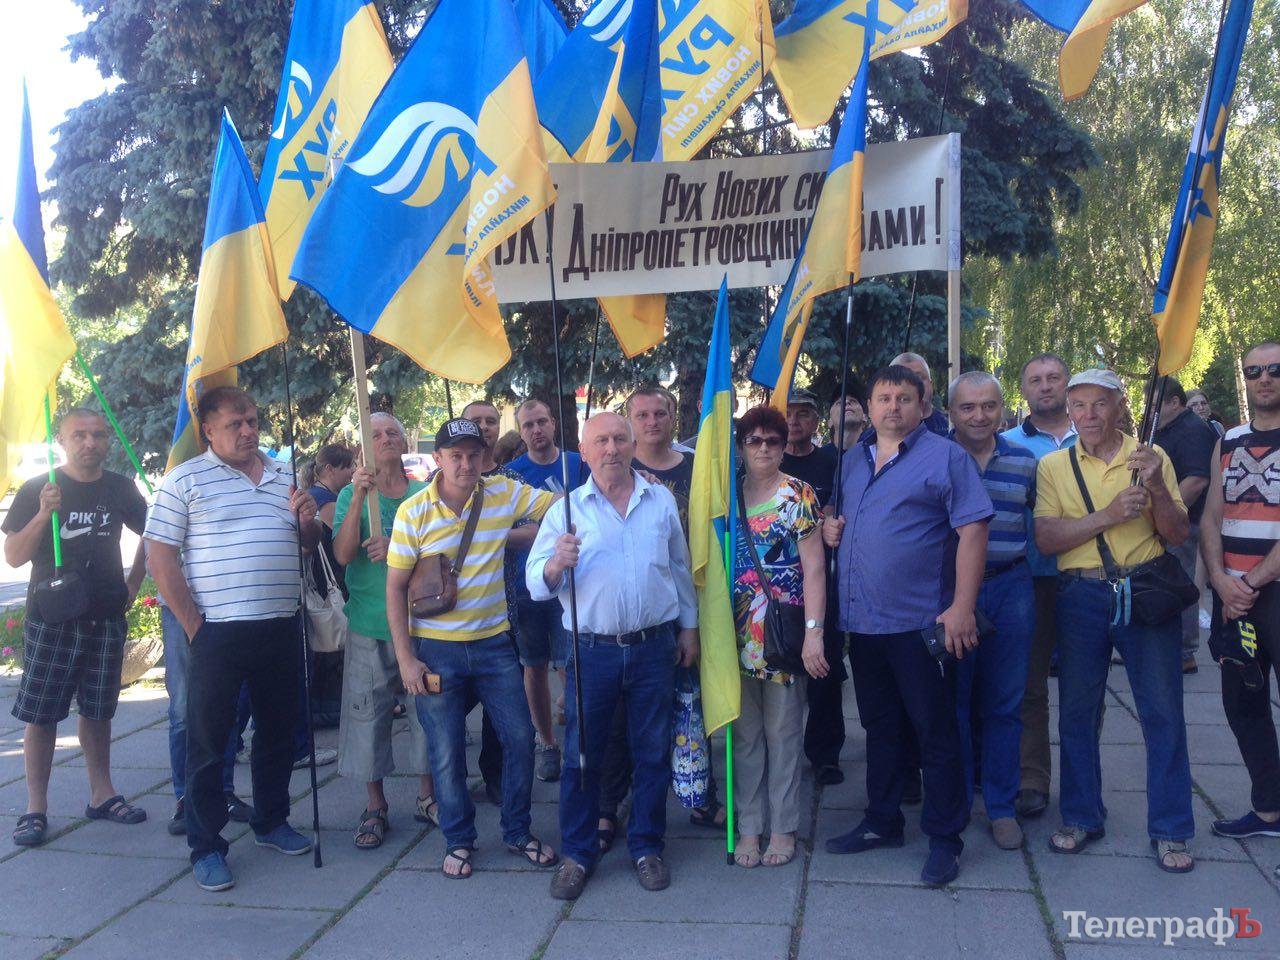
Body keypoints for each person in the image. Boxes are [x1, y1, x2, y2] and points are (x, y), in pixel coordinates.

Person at [822, 365, 992, 887]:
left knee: (934, 730)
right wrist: (830, 526)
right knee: (879, 726)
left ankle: (945, 837)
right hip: (863, 622)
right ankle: (883, 820)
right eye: (883, 398)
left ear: (923, 406)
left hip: (921, 622)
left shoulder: (946, 457)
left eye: (903, 398)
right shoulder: (852, 460)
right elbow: (840, 516)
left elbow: (973, 531)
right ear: (869, 407)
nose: (892, 406)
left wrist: (962, 607)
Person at [145, 386, 321, 891]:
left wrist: (308, 523)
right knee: (209, 740)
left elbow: (308, 546)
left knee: (278, 731)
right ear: (209, 431)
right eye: (234, 424)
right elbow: (160, 555)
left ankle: (271, 821)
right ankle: (205, 845)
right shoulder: (185, 479)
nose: (247, 431)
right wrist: (193, 625)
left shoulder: (284, 475)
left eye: (252, 421)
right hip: (217, 632)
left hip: (281, 624)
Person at [528, 411, 700, 899]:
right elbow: (535, 582)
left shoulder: (659, 500)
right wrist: (555, 564)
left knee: (652, 752)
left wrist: (689, 629)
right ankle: (578, 854)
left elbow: (679, 567)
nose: (611, 449)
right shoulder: (565, 511)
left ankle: (646, 846)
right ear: (583, 452)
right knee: (582, 756)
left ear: (632, 446)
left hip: (653, 647)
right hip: (591, 651)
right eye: (600, 441)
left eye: (620, 439)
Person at [1034, 368, 1195, 873]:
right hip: (1080, 595)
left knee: (1162, 712)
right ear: (1068, 410)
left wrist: (1158, 488)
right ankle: (1082, 816)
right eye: (1078, 405)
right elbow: (1047, 539)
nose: (1088, 415)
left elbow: (1177, 533)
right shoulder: (1054, 466)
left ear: (1120, 406)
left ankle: (1171, 828)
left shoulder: (1150, 456)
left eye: (1099, 404)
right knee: (1077, 712)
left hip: (1144, 591)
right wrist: (1109, 514)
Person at [387, 417, 559, 879]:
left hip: (494, 646)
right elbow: (395, 588)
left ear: (485, 458)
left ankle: (518, 830)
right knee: (445, 750)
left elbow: (559, 507)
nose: (465, 464)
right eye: (455, 456)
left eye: (473, 455)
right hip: (436, 650)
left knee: (519, 738)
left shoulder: (503, 493)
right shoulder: (414, 512)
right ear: (438, 459)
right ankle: (459, 840)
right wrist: (405, 658)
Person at [5, 408, 148, 848]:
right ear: (62, 441)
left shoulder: (121, 488)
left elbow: (156, 533)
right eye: (79, 435)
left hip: (106, 614)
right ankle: (35, 808)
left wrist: (134, 582)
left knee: (99, 709)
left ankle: (102, 794)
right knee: (42, 713)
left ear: (107, 441)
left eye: (98, 435)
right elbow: (13, 556)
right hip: (53, 617)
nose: (90, 443)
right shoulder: (40, 487)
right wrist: (42, 514)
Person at [332, 413, 437, 849]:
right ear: (363, 448)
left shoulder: (423, 494)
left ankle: (428, 796)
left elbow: (439, 556)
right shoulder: (349, 495)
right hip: (370, 623)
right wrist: (358, 496)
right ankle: (375, 805)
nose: (387, 438)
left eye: (393, 432)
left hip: (419, 624)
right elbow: (342, 554)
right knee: (367, 715)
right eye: (375, 434)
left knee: (427, 713)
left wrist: (397, 548)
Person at [731, 405, 828, 868]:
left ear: (784, 446)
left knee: (784, 735)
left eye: (773, 440)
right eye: (755, 440)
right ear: (741, 447)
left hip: (781, 635)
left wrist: (814, 634)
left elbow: (815, 569)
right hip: (734, 635)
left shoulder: (797, 494)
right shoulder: (728, 495)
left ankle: (783, 827)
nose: (764, 448)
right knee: (745, 737)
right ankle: (749, 825)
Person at [948, 373, 1037, 850]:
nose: (979, 416)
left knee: (1005, 703)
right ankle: (958, 803)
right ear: (951, 413)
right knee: (956, 703)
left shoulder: (1024, 461)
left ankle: (1001, 807)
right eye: (968, 407)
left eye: (988, 406)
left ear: (1002, 409)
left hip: (1010, 588)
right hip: (951, 594)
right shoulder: (936, 458)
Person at [1201, 342, 1280, 864]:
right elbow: (1211, 514)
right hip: (1233, 594)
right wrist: (1219, 580)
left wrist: (1248, 583)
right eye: (1254, 371)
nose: (1264, 378)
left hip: (1267, 590)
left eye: (1275, 369)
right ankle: (1269, 810)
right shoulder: (1228, 440)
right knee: (1242, 703)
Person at [1001, 353, 1077, 820]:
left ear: (1067, 384)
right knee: (1029, 686)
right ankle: (1032, 779)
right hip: (1030, 578)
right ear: (1024, 389)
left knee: (1083, 688)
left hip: (1086, 575)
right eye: (1035, 380)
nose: (1045, 386)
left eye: (1053, 378)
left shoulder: (1092, 436)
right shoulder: (1007, 444)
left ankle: (1083, 780)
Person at [508, 398, 586, 782]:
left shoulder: (578, 463)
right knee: (534, 665)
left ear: (554, 423)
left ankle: (577, 739)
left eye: (541, 422)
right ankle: (547, 743)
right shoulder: (513, 475)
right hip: (529, 586)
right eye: (528, 425)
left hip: (573, 583)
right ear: (521, 432)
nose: (536, 430)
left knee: (571, 664)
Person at [1154, 377, 1220, 674]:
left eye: (1156, 403)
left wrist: (1169, 514)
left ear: (1174, 402)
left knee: (1181, 583)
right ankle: (1167, 646)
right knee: (1166, 583)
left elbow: (1196, 480)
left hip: (1186, 522)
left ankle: (1184, 651)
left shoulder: (1193, 429)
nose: (1150, 410)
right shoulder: (1169, 428)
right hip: (1171, 520)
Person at [781, 388, 838, 506]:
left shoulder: (831, 464)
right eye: (787, 414)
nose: (793, 421)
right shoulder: (767, 461)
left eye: (802, 415)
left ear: (816, 422)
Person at [890, 352, 949, 436]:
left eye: (919, 378)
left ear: (931, 385)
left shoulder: (952, 427)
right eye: (903, 379)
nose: (913, 384)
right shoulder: (877, 435)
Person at [307, 443, 356, 528]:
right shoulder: (320, 497)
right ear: (330, 469)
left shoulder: (327, 493)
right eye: (348, 466)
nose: (353, 470)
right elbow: (349, 529)